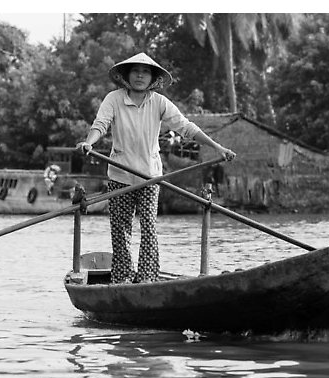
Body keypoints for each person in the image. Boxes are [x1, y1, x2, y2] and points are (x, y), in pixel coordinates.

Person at [76, 52, 236, 285]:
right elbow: (100, 125)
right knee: (121, 231)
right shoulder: (114, 99)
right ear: (127, 76)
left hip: (149, 176)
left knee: (149, 227)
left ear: (152, 78)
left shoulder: (159, 102)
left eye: (145, 72)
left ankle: (147, 280)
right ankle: (122, 279)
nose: (140, 76)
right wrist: (89, 143)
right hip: (120, 174)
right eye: (135, 71)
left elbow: (186, 127)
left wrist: (217, 147)